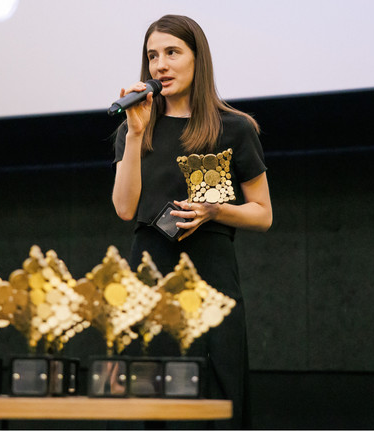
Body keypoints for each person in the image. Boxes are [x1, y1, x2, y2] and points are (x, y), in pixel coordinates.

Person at [111, 14, 272, 429]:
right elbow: (125, 208)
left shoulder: (233, 128)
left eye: (172, 53)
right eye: (152, 56)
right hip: (150, 276)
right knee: (149, 395)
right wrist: (134, 134)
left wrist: (216, 211)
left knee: (217, 392)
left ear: (198, 59)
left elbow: (263, 213)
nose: (161, 65)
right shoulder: (135, 129)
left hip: (211, 276)